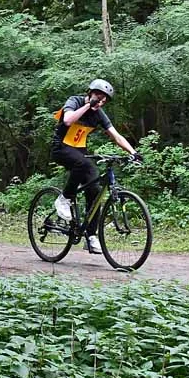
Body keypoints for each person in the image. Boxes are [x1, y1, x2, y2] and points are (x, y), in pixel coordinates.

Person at [51, 79, 142, 254]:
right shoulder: (75, 101)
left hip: (79, 151)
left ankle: (91, 236)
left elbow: (116, 136)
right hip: (61, 147)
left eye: (103, 100)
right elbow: (68, 120)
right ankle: (64, 199)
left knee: (95, 188)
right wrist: (87, 106)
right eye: (98, 97)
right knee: (82, 164)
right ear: (90, 93)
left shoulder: (99, 114)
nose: (100, 102)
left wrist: (133, 152)